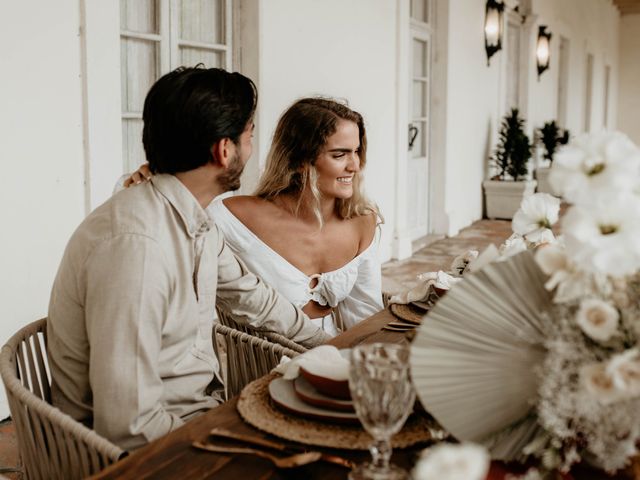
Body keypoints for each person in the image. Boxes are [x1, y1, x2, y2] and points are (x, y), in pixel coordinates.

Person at [47, 66, 329, 451]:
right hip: (141, 455)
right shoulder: (138, 248)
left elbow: (253, 298)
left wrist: (333, 344)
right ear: (224, 150)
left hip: (197, 416)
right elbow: (128, 425)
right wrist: (236, 445)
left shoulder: (195, 220)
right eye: (249, 137)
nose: (251, 150)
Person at [128, 98, 383, 336]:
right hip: (259, 363)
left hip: (332, 360)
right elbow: (169, 238)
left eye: (356, 151)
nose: (355, 165)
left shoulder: (363, 222)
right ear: (299, 160)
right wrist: (150, 188)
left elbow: (365, 317)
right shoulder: (232, 217)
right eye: (339, 155)